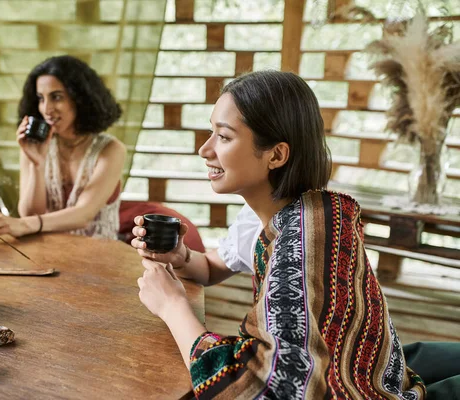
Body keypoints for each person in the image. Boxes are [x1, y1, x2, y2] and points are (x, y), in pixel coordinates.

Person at [130, 70, 426, 399]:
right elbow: (212, 267)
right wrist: (181, 257)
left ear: (276, 155)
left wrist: (172, 306)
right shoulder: (266, 216)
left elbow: (269, 389)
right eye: (211, 132)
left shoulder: (307, 235)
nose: (204, 149)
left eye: (224, 137)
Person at [0, 56, 126, 240]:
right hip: (49, 253)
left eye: (56, 97)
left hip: (99, 257)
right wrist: (36, 165)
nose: (46, 109)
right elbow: (29, 214)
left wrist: (20, 224)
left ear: (80, 99)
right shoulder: (36, 144)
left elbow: (84, 215)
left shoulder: (111, 150)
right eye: (40, 98)